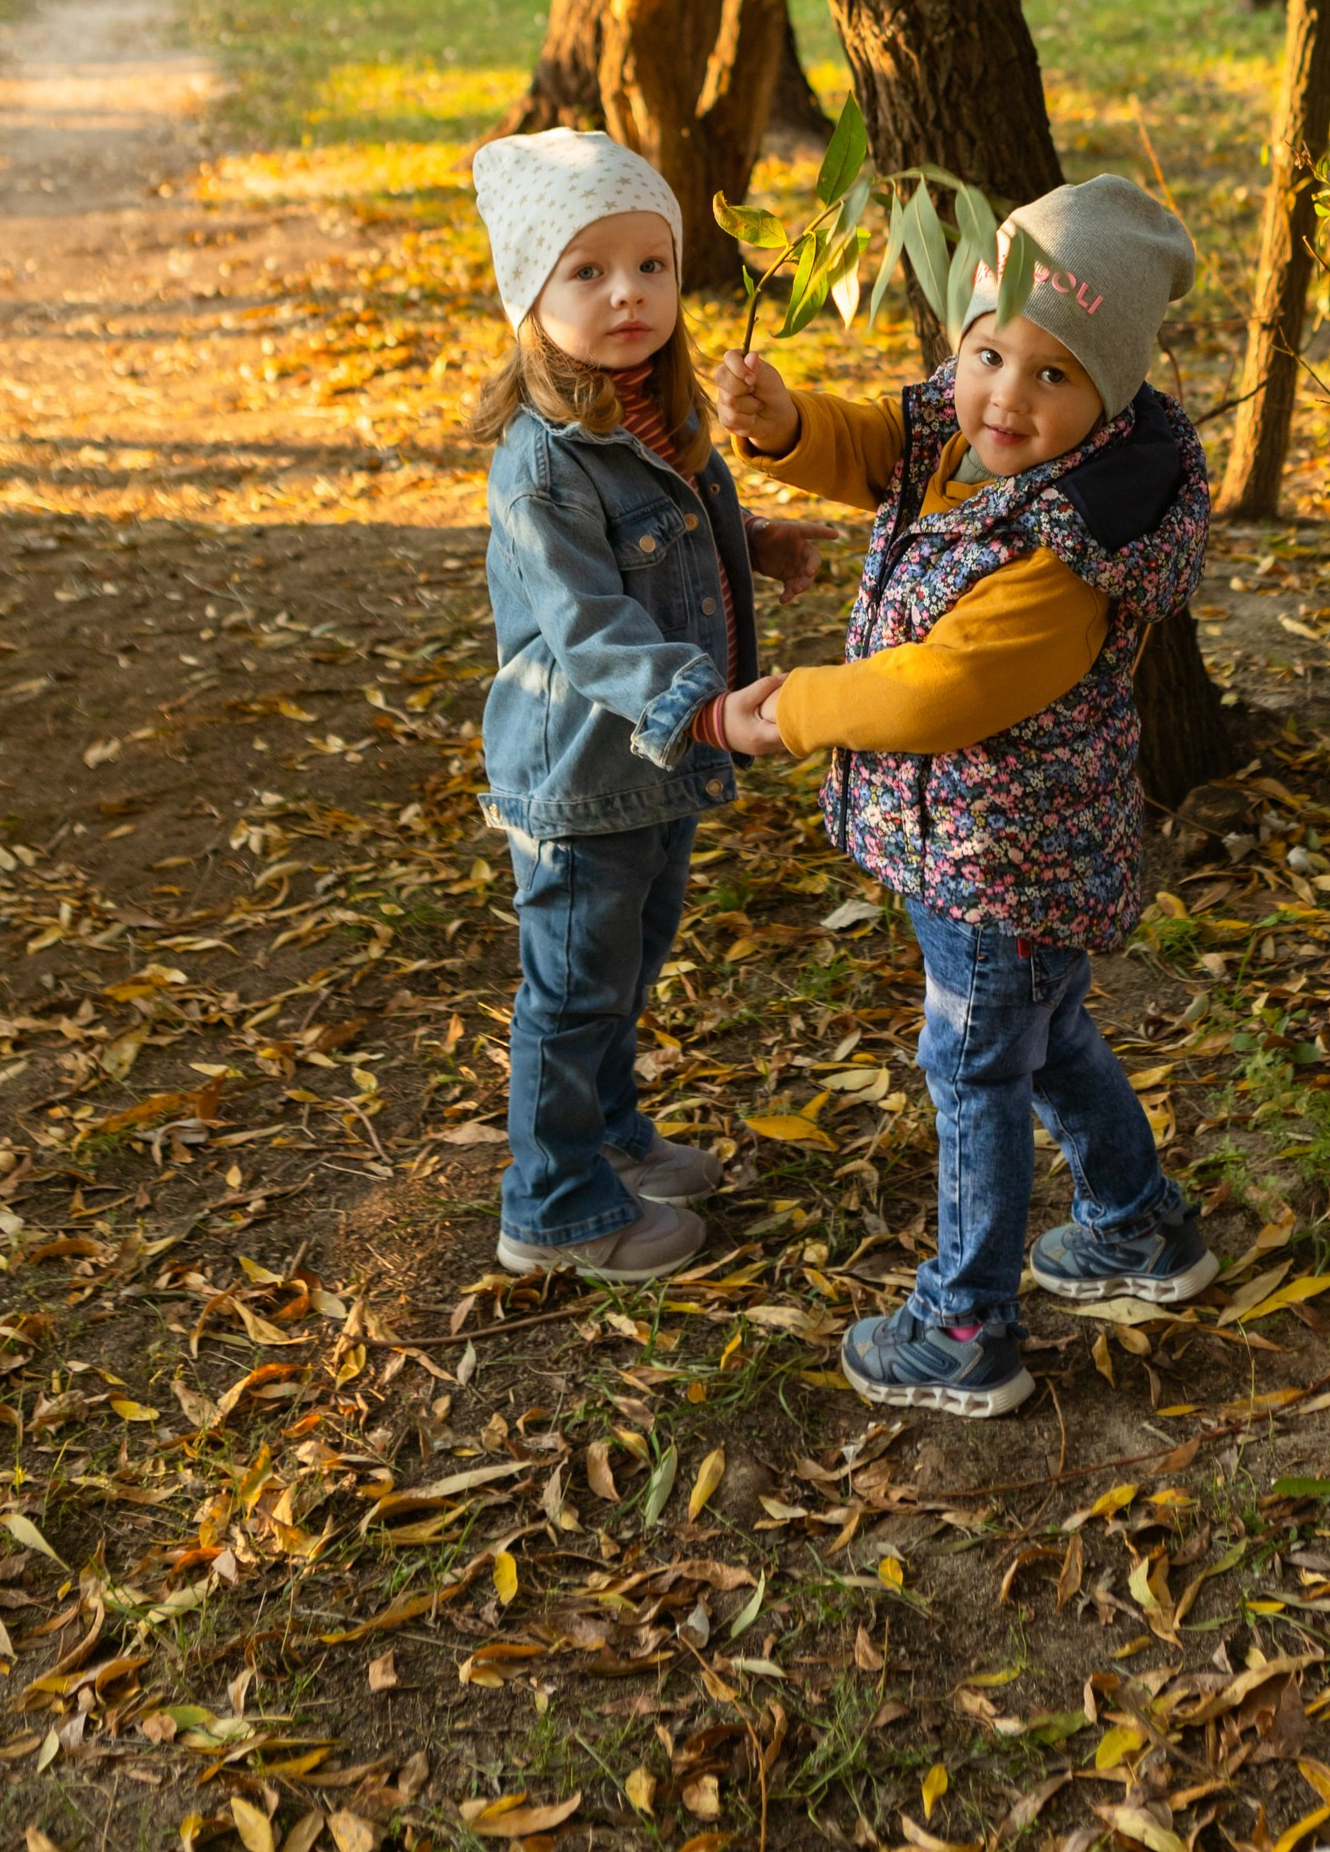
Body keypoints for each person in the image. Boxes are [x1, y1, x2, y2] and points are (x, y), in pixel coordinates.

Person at [715, 174, 1217, 1416]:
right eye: (989, 352)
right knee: (1045, 1046)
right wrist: (784, 425)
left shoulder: (1069, 545)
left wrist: (801, 711)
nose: (1002, 395)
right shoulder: (961, 426)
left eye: (1051, 375)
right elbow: (881, 446)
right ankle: (1138, 1225)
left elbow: (943, 694)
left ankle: (963, 1324)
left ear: (1108, 396)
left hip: (999, 863)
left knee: (974, 1069)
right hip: (987, 856)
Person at [470, 128, 822, 1283]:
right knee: (571, 989)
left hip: (650, 766)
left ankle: (609, 1138)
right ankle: (555, 1204)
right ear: (531, 293)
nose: (627, 292)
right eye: (588, 271)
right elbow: (588, 625)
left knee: (625, 964)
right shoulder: (543, 466)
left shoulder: (655, 414)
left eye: (650, 265)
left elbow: (668, 540)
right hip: (583, 771)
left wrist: (756, 542)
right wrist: (709, 708)